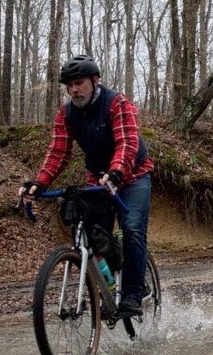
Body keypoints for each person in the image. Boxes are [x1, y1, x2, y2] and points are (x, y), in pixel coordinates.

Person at [20, 54, 155, 316]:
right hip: (98, 180)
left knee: (132, 229)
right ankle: (108, 287)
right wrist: (39, 183)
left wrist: (116, 172)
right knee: (94, 236)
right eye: (69, 86)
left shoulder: (117, 103)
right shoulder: (67, 114)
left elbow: (127, 143)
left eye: (79, 83)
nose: (74, 90)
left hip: (133, 176)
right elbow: (58, 151)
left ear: (95, 81)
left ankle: (133, 295)